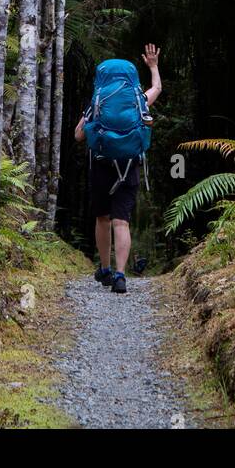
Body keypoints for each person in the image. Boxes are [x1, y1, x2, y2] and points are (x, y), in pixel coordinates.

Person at [74, 43, 161, 294]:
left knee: (103, 218)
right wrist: (153, 67)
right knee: (121, 221)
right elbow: (157, 88)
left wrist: (90, 125)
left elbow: (78, 136)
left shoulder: (97, 103)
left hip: (101, 165)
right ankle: (121, 275)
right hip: (129, 166)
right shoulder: (138, 100)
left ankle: (105, 269)